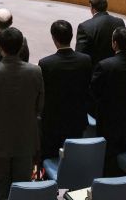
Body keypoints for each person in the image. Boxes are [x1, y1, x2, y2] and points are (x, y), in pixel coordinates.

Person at [0, 27, 43, 200]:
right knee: (22, 189)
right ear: (22, 47)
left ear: (0, 47)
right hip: (25, 140)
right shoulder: (35, 72)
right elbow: (39, 107)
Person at [91, 27, 126, 175]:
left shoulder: (104, 65)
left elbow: (94, 92)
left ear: (114, 44)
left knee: (109, 159)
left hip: (109, 120)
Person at [38, 20, 92, 159]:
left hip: (52, 122)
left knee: (49, 156)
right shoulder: (85, 60)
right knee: (74, 157)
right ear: (72, 36)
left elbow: (42, 92)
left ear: (54, 39)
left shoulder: (46, 64)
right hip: (77, 119)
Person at [75, 0, 126, 65]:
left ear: (92, 7)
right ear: (106, 6)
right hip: (115, 68)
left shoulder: (85, 27)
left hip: (95, 72)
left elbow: (80, 56)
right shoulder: (119, 22)